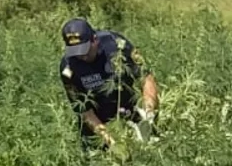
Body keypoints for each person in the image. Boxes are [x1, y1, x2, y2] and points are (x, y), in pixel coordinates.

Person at [59, 17, 159, 150]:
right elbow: (85, 112)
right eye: (75, 52)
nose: (81, 56)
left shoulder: (117, 45)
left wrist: (149, 112)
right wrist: (112, 142)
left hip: (130, 114)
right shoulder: (68, 69)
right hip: (98, 127)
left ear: (94, 40)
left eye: (85, 50)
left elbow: (145, 77)